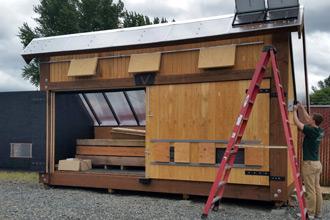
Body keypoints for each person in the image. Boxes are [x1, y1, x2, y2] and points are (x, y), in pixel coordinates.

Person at [293, 102, 324, 219]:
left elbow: (298, 123)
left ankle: (310, 214)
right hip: (317, 164)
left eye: (311, 118)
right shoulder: (320, 130)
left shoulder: (311, 131)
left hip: (309, 164)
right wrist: (301, 107)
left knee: (310, 191)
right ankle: (318, 213)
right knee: (317, 189)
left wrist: (294, 111)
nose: (308, 118)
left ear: (314, 121)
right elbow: (307, 118)